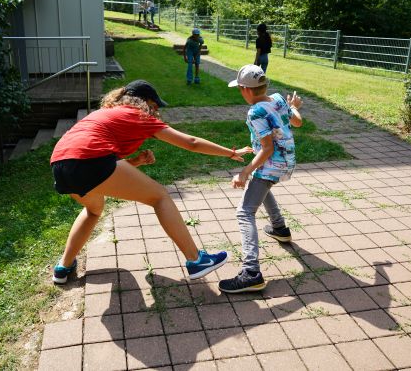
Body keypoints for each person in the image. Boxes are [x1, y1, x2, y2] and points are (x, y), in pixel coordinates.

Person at [50, 80, 252, 284]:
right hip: (89, 162)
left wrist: (135, 162)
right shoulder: (138, 114)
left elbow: (101, 164)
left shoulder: (107, 113)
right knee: (160, 197)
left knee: (93, 211)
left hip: (60, 165)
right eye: (154, 106)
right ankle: (196, 260)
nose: (156, 112)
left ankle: (63, 267)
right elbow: (191, 143)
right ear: (143, 101)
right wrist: (230, 152)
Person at [218, 64, 303, 293]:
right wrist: (293, 107)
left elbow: (266, 149)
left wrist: (244, 172)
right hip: (286, 160)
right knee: (261, 186)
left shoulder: (255, 112)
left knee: (244, 212)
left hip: (271, 163)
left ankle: (251, 273)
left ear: (246, 90)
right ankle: (280, 229)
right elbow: (297, 122)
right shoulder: (278, 99)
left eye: (239, 89)